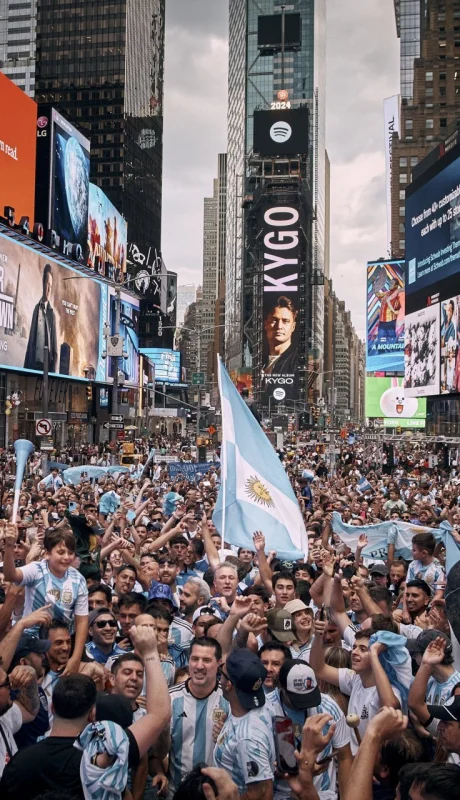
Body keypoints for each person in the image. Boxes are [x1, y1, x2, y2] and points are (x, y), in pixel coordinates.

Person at [0, 624, 171, 799]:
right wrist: (150, 652)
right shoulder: (105, 757)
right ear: (92, 714)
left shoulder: (20, 762)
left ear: (52, 708)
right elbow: (160, 714)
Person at [3, 525, 88, 674]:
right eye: (61, 552)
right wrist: (9, 547)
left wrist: (75, 658)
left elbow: (82, 621)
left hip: (62, 642)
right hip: (32, 639)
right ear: (47, 553)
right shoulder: (36, 570)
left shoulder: (78, 580)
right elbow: (11, 575)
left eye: (70, 553)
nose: (67, 557)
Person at [270, 658, 353, 799]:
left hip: (323, 794)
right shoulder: (266, 711)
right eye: (298, 698)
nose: (305, 704)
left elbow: (344, 757)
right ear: (281, 688)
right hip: (282, 795)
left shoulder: (328, 707)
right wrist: (286, 771)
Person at [168, 636, 229, 793]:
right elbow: (158, 752)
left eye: (207, 660)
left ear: (219, 663)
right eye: (195, 659)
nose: (199, 666)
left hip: (218, 792)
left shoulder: (229, 699)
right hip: (177, 791)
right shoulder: (170, 698)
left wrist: (227, 735)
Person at [214, 648, 276, 798]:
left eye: (221, 673)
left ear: (228, 685)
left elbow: (262, 793)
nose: (219, 679)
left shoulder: (248, 739)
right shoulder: (261, 703)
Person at [24, 262, 58, 372]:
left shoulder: (52, 315)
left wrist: (53, 374)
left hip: (45, 369)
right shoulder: (36, 309)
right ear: (43, 284)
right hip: (33, 366)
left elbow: (55, 350)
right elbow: (31, 341)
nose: (48, 289)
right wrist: (25, 368)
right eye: (47, 284)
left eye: (50, 286)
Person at [263, 296, 298, 377]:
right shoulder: (258, 361)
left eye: (285, 321)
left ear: (293, 327)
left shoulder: (298, 362)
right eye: (274, 320)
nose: (279, 326)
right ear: (265, 324)